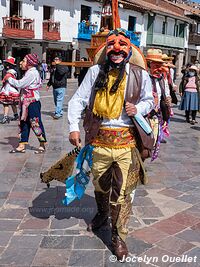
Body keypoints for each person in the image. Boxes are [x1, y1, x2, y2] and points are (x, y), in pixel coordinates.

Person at [68, 28, 154, 261]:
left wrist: (139, 109)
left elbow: (149, 99)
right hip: (99, 140)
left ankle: (118, 236)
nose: (116, 51)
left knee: (124, 192)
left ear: (128, 50)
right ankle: (102, 214)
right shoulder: (95, 71)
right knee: (100, 184)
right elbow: (78, 99)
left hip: (127, 143)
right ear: (107, 50)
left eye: (121, 46)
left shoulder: (139, 74)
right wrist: (73, 127)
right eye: (112, 46)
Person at [5, 53, 47, 153]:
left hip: (32, 103)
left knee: (35, 123)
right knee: (23, 123)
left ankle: (42, 144)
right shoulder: (29, 72)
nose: (21, 63)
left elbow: (20, 84)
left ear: (29, 63)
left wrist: (9, 78)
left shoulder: (32, 73)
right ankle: (22, 144)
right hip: (26, 103)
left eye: (24, 61)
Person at [146, 49, 171, 159]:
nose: (159, 69)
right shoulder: (143, 77)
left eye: (160, 65)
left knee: (153, 140)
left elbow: (164, 96)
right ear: (149, 64)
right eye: (156, 65)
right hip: (143, 115)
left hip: (156, 116)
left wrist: (167, 104)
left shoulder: (161, 79)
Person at [0, 56, 19, 124]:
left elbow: (5, 81)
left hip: (8, 90)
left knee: (6, 104)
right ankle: (16, 115)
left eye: (7, 63)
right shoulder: (15, 71)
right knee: (12, 103)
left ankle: (5, 117)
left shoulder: (9, 73)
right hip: (13, 89)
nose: (6, 65)